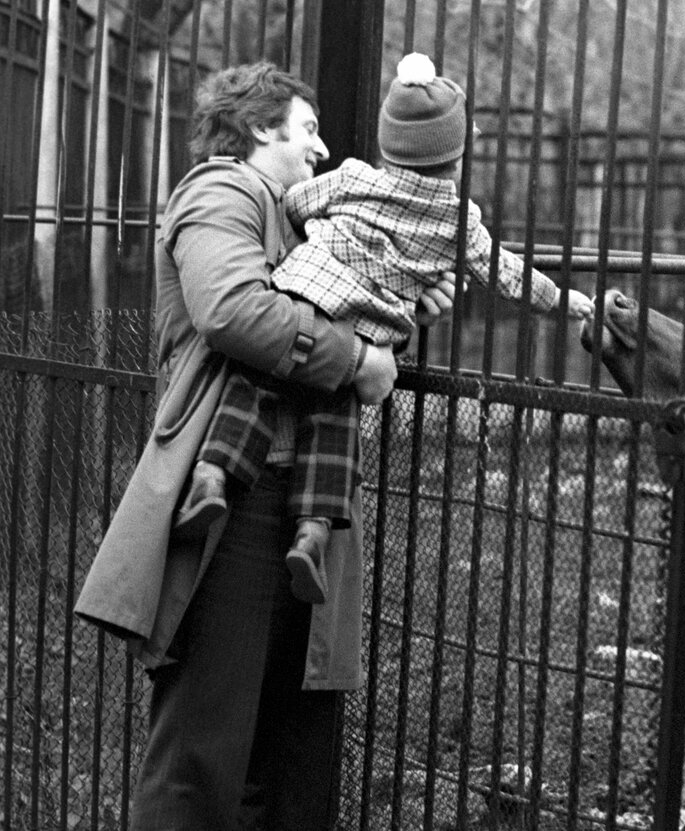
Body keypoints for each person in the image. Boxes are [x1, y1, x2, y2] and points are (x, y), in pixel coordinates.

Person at [73, 62, 455, 829]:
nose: (321, 151)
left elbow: (340, 318)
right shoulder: (222, 192)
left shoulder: (304, 225)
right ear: (257, 128)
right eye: (308, 130)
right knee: (203, 759)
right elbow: (233, 309)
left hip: (307, 504)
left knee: (290, 758)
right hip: (235, 508)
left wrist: (406, 297)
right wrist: (356, 358)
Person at [176, 52, 594, 605]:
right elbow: (507, 276)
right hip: (357, 333)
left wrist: (345, 242)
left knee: (250, 386)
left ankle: (210, 476)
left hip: (307, 294)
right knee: (336, 419)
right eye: (309, 129)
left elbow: (301, 203)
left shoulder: (355, 180)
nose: (323, 148)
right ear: (456, 155)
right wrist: (564, 300)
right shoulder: (459, 221)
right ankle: (314, 530)